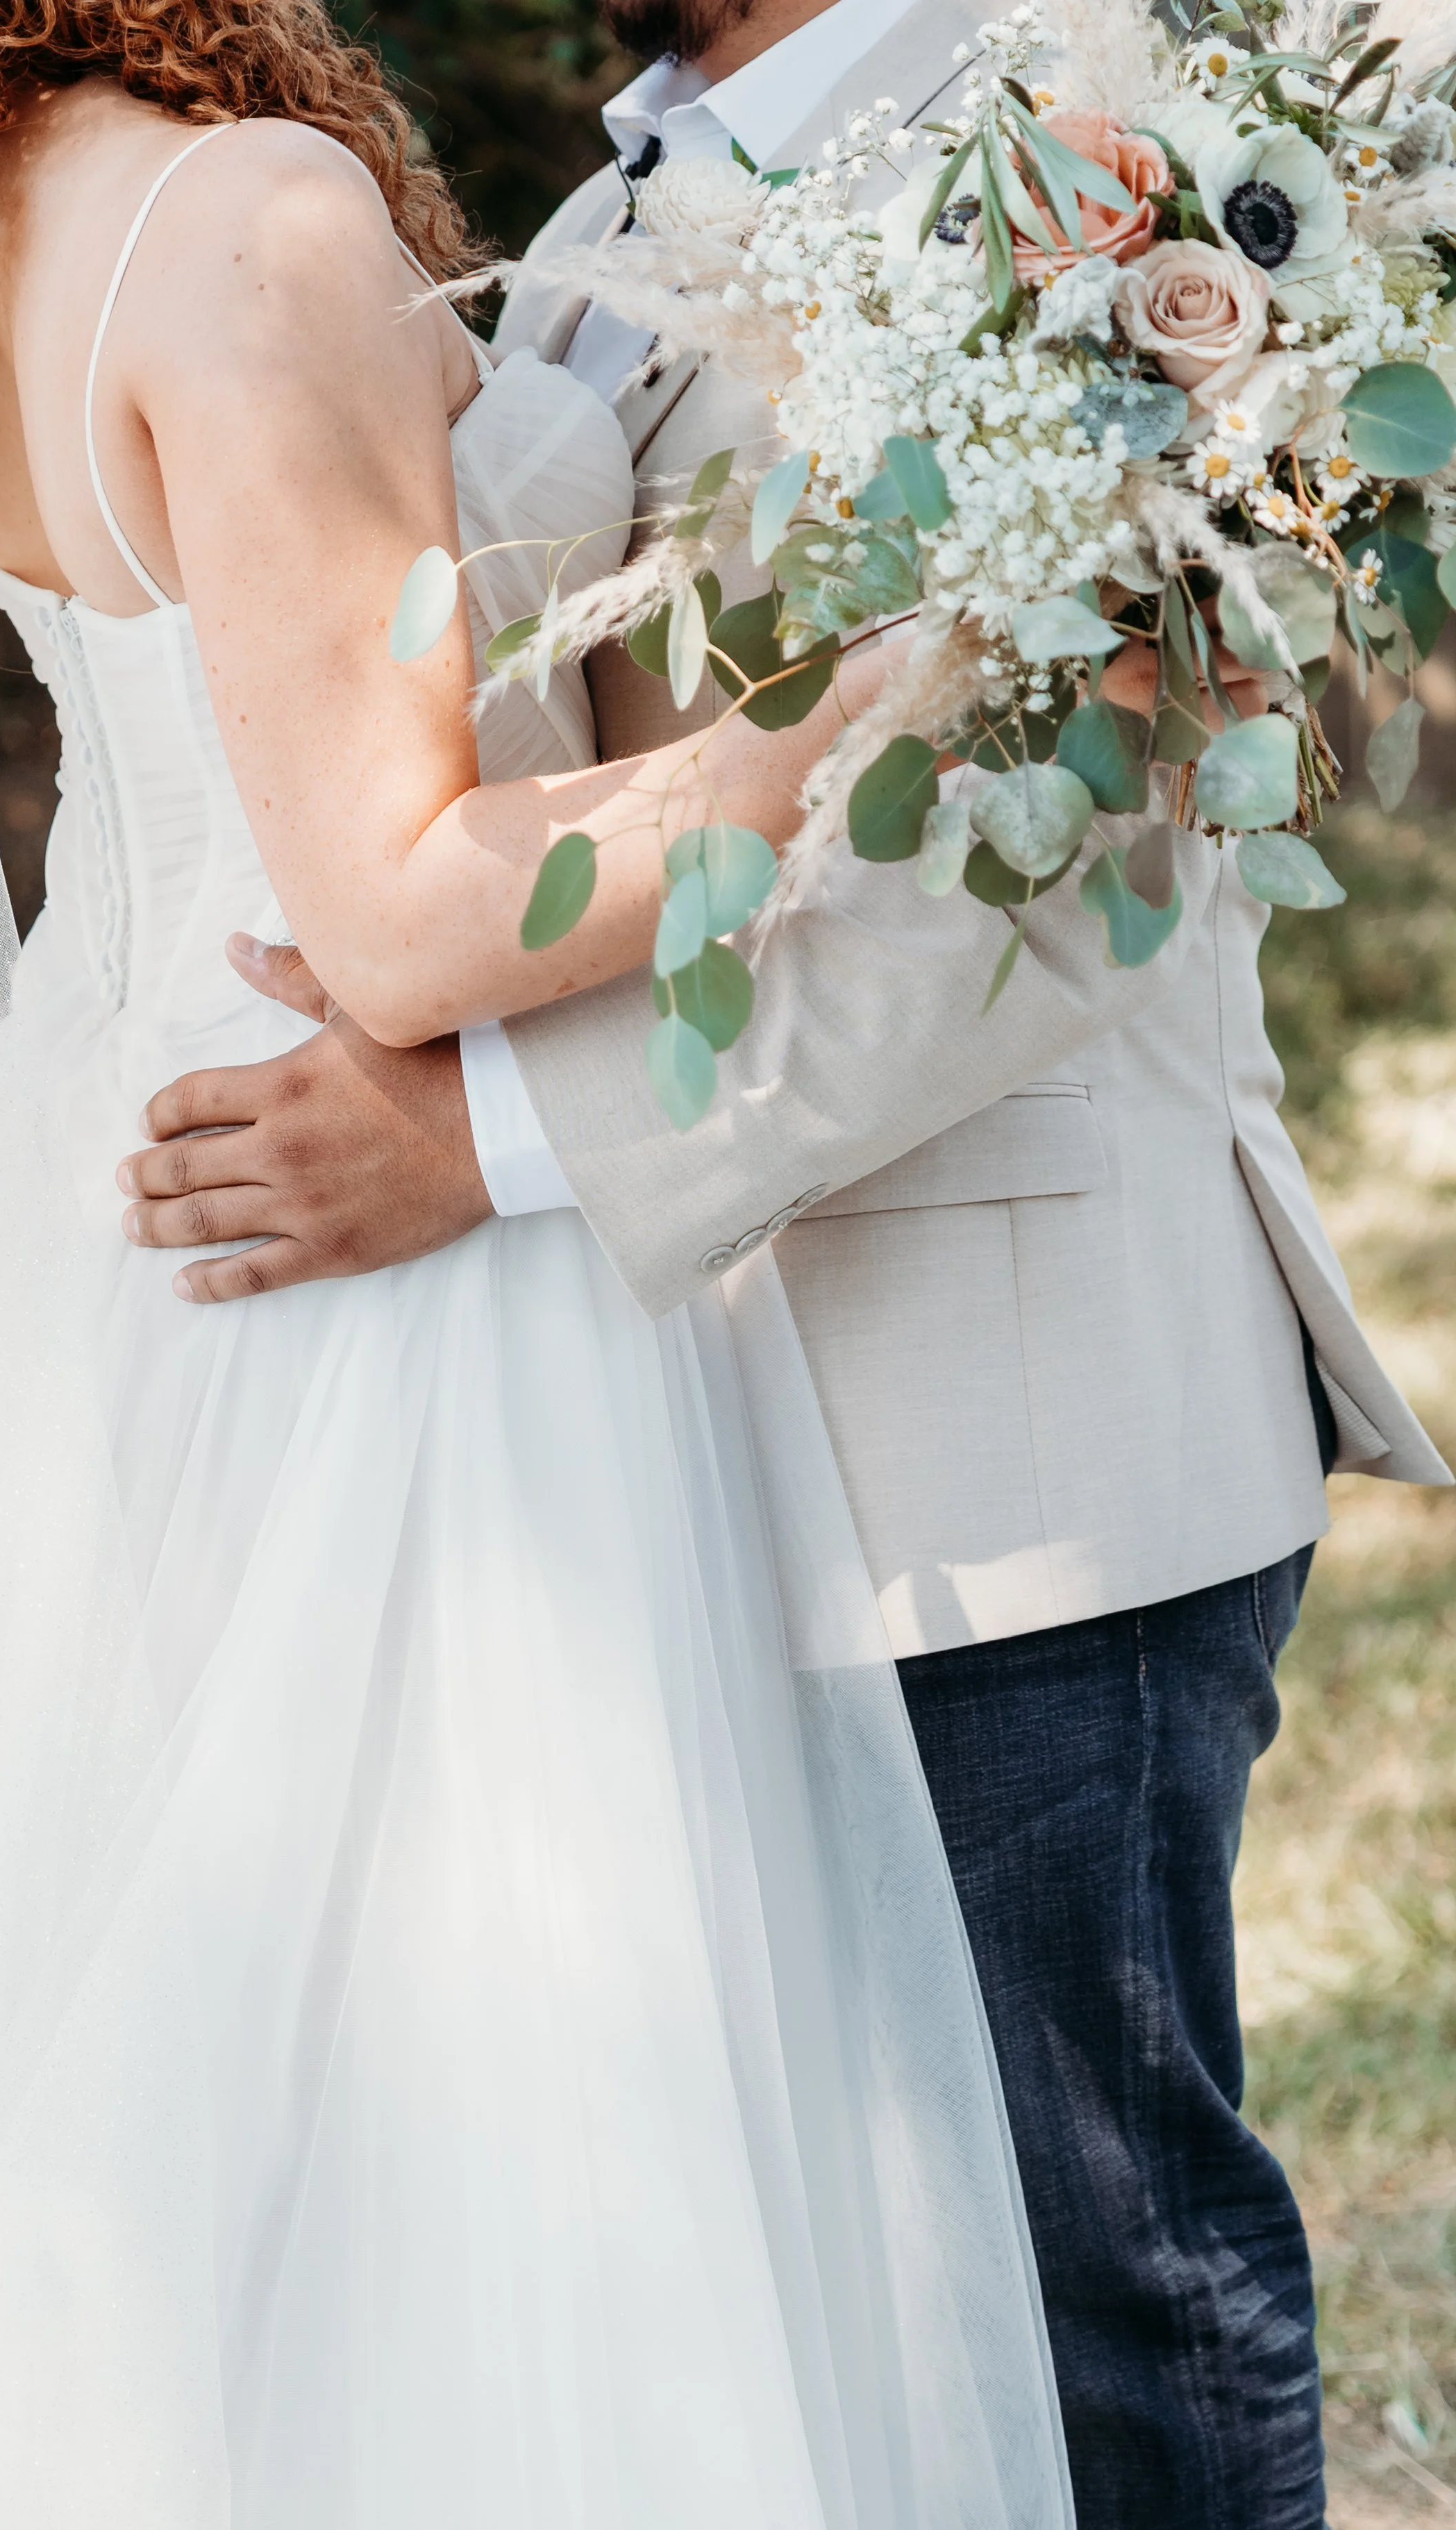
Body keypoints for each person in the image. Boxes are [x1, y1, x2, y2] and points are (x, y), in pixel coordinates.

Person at [0, 1, 1080, 2521]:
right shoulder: (247, 220)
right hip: (379, 1258)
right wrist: (866, 715)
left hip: (96, 1211)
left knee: (207, 2173)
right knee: (509, 2193)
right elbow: (404, 912)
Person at [114, 0, 1453, 2524]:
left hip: (1018, 1433)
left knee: (1098, 2289)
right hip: (691, 1425)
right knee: (855, 2305)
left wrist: (484, 1132)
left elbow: (1045, 874)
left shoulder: (1102, 149)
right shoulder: (607, 225)